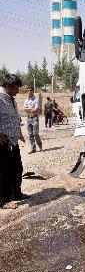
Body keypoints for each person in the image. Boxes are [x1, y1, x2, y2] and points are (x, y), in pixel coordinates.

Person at [0, 74, 28, 209]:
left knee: (17, 169)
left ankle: (16, 194)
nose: (18, 91)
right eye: (16, 88)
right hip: (2, 143)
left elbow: (15, 118)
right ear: (8, 87)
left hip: (13, 141)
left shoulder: (11, 99)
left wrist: (19, 133)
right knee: (4, 172)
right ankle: (3, 201)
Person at [23, 86, 42, 153]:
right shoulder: (26, 100)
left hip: (35, 118)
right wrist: (31, 108)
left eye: (30, 90)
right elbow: (24, 109)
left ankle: (40, 144)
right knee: (30, 134)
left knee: (35, 133)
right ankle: (33, 148)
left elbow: (36, 109)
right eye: (28, 90)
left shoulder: (36, 99)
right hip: (29, 118)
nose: (29, 91)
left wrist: (28, 108)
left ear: (33, 91)